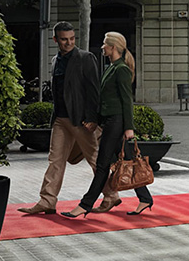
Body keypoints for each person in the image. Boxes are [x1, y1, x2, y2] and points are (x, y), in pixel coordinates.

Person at [18, 22, 119, 215]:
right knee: (55, 160)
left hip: (81, 120)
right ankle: (47, 201)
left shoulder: (85, 58)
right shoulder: (55, 59)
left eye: (71, 39)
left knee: (95, 159)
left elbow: (93, 90)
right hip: (60, 119)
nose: (68, 42)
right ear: (55, 39)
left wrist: (92, 118)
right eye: (64, 39)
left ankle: (111, 195)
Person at [62, 32, 153, 217]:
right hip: (110, 121)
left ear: (112, 47)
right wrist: (95, 120)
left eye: (104, 44)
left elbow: (127, 100)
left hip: (117, 122)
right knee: (129, 160)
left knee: (102, 165)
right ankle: (145, 198)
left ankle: (85, 205)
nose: (102, 47)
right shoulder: (112, 67)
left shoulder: (121, 70)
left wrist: (129, 128)